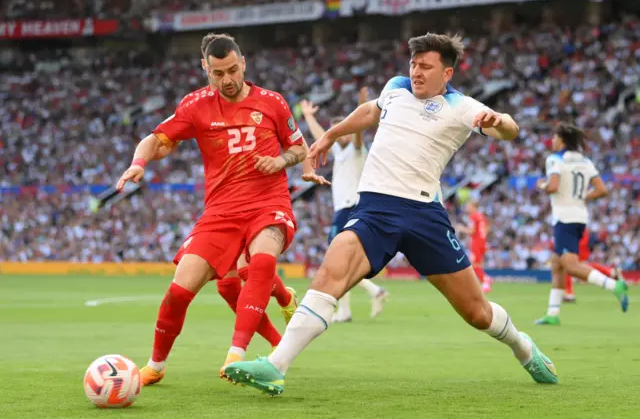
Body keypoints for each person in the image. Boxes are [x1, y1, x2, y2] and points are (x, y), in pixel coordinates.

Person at [224, 33, 559, 395]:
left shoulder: (460, 106)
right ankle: (276, 366)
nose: (416, 71)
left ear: (446, 73)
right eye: (414, 64)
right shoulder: (396, 88)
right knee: (329, 274)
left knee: (476, 312)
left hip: (424, 215)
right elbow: (371, 111)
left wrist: (501, 120)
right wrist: (331, 134)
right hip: (375, 209)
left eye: (426, 66)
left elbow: (509, 129)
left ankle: (523, 348)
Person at [116, 34, 314, 387]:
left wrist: (279, 159)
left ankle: (236, 355)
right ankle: (156, 366)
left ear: (244, 63)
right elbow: (157, 139)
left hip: (268, 203)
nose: (227, 79)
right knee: (179, 291)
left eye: (233, 70)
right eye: (218, 73)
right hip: (221, 212)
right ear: (205, 69)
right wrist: (139, 162)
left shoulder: (273, 103)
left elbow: (299, 149)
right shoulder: (195, 106)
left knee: (262, 262)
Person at [300, 88, 389, 323]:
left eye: (342, 130)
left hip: (351, 207)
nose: (340, 135)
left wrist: (362, 105)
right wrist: (309, 116)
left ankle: (368, 295)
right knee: (340, 261)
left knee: (336, 259)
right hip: (345, 208)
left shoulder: (357, 149)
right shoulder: (340, 153)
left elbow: (359, 131)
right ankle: (351, 308)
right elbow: (322, 136)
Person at [534, 123, 629, 325]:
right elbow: (602, 189)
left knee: (571, 265)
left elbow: (552, 186)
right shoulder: (585, 161)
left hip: (564, 218)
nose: (552, 141)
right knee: (557, 264)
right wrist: (584, 197)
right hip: (579, 217)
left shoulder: (554, 160)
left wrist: (541, 185)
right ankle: (553, 313)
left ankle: (614, 285)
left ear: (562, 140)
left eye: (555, 137)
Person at [562, 227, 622, 303]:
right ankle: (611, 272)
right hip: (578, 231)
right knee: (576, 265)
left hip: (575, 231)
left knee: (570, 264)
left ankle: (569, 294)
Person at [456, 199, 491, 293]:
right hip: (482, 241)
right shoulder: (481, 216)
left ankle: (485, 280)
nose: (467, 208)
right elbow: (488, 227)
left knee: (474, 263)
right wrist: (483, 236)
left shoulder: (474, 216)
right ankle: (481, 281)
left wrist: (461, 228)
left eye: (468, 206)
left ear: (473, 207)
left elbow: (471, 231)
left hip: (476, 242)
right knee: (476, 263)